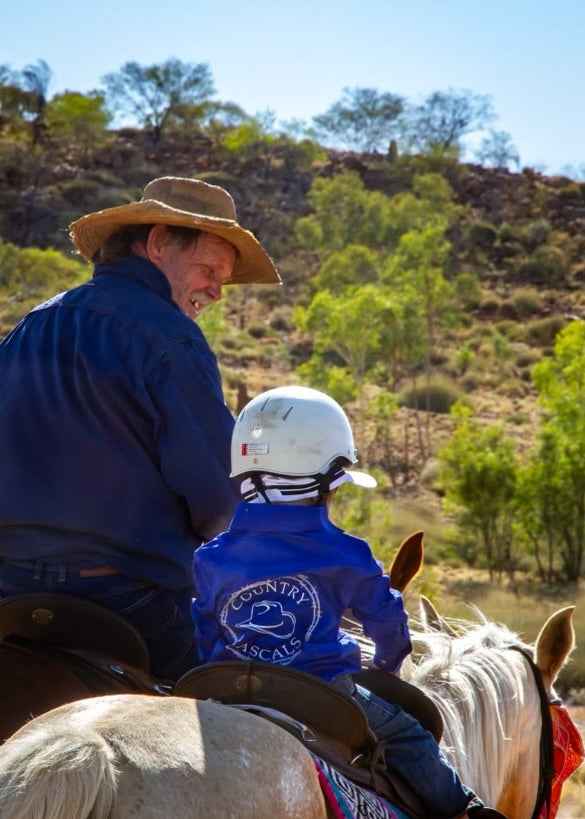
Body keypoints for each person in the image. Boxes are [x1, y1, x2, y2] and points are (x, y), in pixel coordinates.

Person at [0, 175, 281, 682]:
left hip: (9, 590)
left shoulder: (31, 326)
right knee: (267, 696)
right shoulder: (171, 338)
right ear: (157, 244)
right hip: (129, 600)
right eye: (210, 269)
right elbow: (219, 501)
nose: (217, 291)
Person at [191, 386, 506, 819]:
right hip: (320, 689)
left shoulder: (210, 556)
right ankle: (464, 810)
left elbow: (205, 628)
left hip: (227, 684)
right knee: (408, 737)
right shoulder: (347, 553)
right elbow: (387, 618)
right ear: (326, 484)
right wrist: (389, 664)